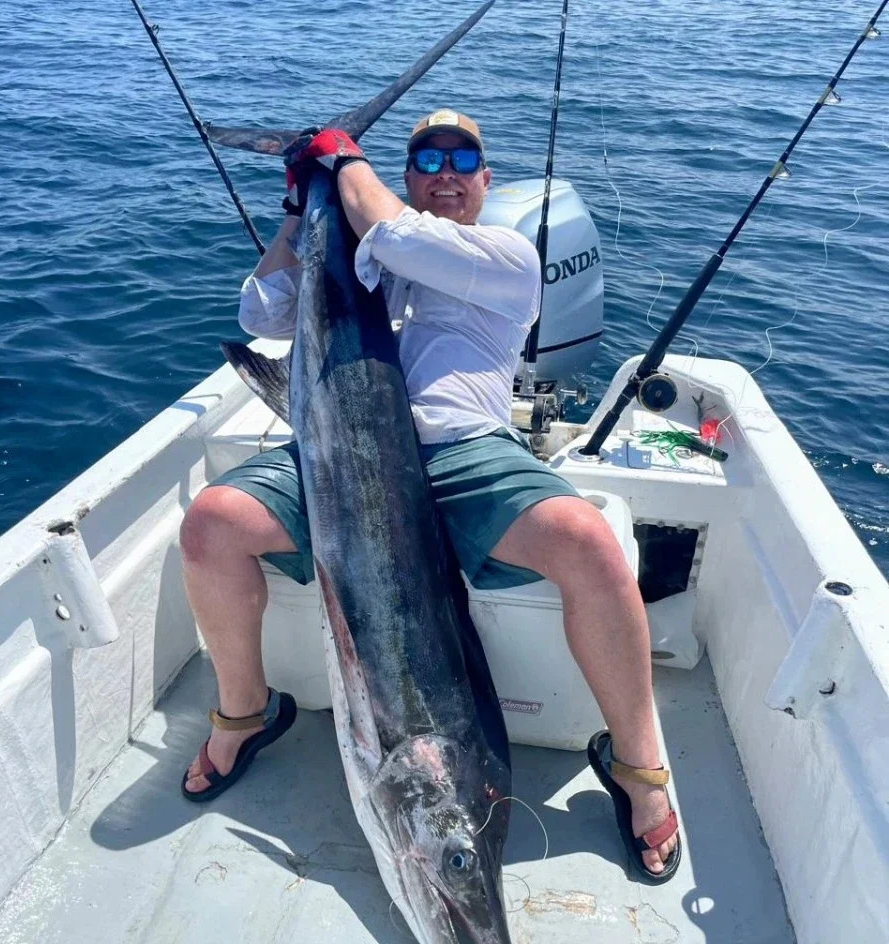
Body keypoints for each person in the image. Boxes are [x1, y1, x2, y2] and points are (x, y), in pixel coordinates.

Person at [179, 109, 681, 881]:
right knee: (212, 522)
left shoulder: (507, 256)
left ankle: (639, 767)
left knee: (590, 541)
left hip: (464, 452)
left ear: (486, 181)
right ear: (407, 177)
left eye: (463, 160)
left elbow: (393, 234)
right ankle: (245, 712)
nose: (447, 173)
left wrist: (342, 160)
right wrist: (298, 207)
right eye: (428, 159)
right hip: (341, 439)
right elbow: (262, 312)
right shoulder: (369, 260)